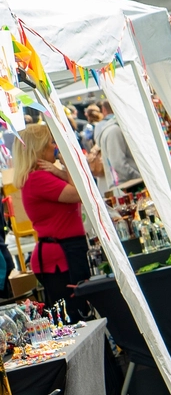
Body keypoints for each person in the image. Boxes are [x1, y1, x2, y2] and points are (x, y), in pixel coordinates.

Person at [15, 124, 91, 319]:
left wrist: (59, 171)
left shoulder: (41, 176)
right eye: (51, 143)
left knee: (80, 312)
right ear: (40, 148)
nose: (55, 147)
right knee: (76, 315)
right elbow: (80, 193)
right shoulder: (38, 178)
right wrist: (65, 164)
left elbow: (80, 188)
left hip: (64, 251)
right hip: (60, 255)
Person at [93, 101, 141, 184]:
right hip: (127, 185)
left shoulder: (115, 129)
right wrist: (140, 177)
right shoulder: (114, 131)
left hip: (126, 183)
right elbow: (118, 164)